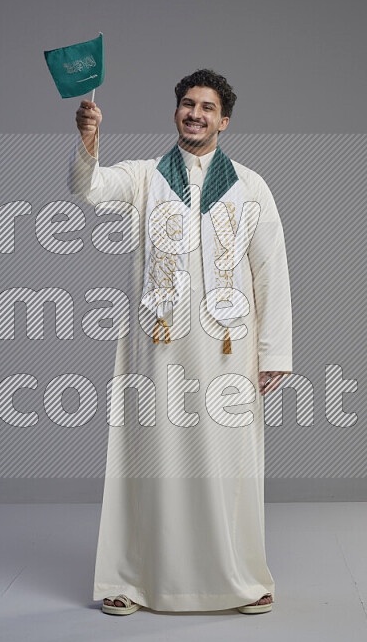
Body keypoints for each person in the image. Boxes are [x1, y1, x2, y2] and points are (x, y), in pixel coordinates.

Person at [67, 69, 292, 614]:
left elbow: (271, 269)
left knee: (227, 460)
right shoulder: (146, 177)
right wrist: (89, 143)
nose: (195, 113)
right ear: (175, 113)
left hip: (227, 346)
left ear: (225, 120)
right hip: (158, 343)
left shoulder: (250, 185)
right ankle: (134, 580)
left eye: (207, 107)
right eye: (187, 104)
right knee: (150, 457)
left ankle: (237, 577)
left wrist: (275, 352)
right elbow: (89, 189)